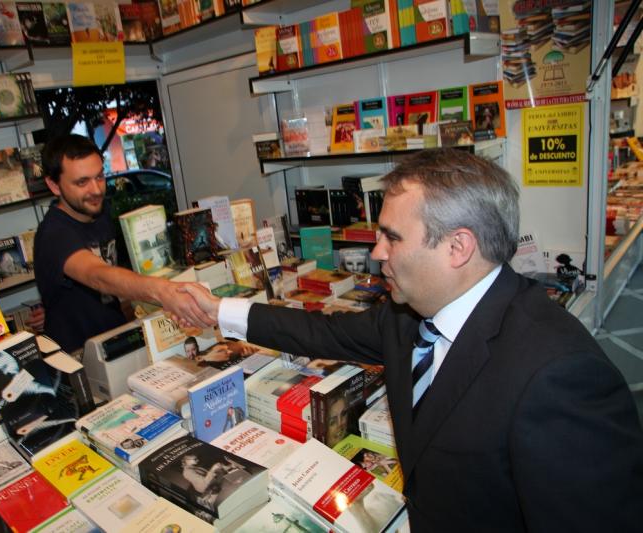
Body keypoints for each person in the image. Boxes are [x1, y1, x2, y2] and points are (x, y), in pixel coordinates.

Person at [180, 148, 643, 531]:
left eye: (392, 238)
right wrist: (218, 310)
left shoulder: (559, 375)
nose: (376, 253)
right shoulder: (407, 316)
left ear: (457, 247)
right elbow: (322, 332)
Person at [34, 134, 211, 353]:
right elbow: (97, 274)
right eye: (82, 182)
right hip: (80, 357)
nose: (96, 189)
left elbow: (116, 279)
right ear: (54, 185)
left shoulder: (98, 212)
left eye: (99, 177)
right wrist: (164, 292)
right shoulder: (54, 234)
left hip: (119, 341)